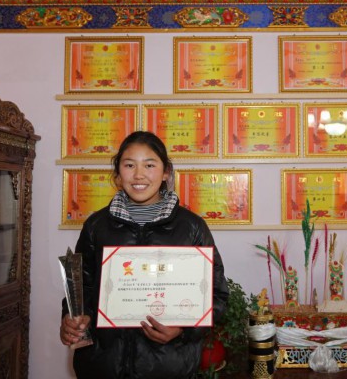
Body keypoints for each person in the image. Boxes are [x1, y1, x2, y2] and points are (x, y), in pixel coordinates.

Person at [59, 131, 229, 379]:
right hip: (102, 366)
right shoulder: (96, 226)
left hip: (169, 368)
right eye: (129, 165)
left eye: (149, 165)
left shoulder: (192, 227)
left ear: (166, 172)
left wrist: (183, 329)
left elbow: (217, 296)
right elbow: (81, 288)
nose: (139, 175)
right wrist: (71, 319)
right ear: (118, 174)